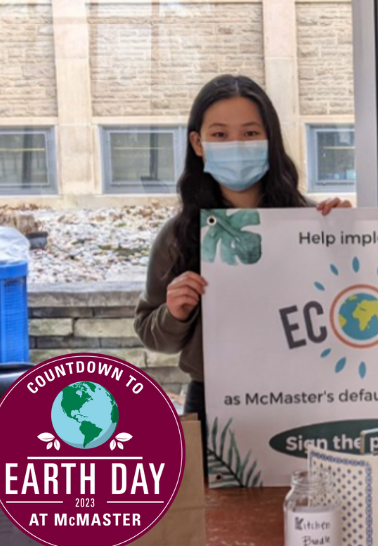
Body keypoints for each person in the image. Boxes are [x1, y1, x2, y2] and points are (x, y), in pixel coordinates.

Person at [134, 75, 351, 474]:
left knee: (310, 509)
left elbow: (353, 302)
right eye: (220, 134)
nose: (236, 145)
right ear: (198, 144)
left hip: (306, 394)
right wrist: (176, 312)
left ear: (271, 139)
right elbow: (151, 331)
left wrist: (349, 237)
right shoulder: (180, 234)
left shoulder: (312, 221)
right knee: (220, 527)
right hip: (215, 398)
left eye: (250, 133)